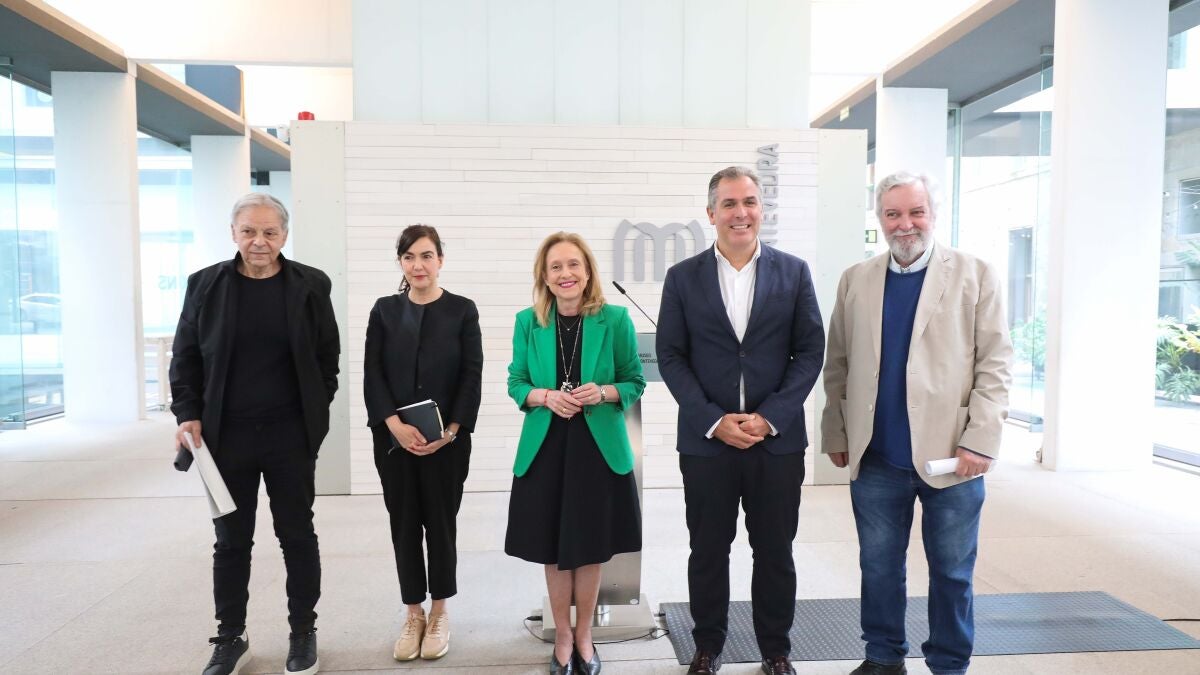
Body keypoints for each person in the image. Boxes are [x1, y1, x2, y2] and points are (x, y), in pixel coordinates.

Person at [820, 171, 1012, 675]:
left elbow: (995, 363)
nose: (905, 224)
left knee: (952, 571)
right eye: (893, 214)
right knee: (878, 567)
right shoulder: (856, 279)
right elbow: (837, 362)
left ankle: (949, 663)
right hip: (877, 455)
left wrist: (981, 440)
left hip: (953, 456)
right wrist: (836, 431)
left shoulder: (976, 274)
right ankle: (883, 657)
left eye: (915, 212)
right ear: (880, 219)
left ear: (933, 213)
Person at [657, 166, 825, 675]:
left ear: (761, 210)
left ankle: (776, 650)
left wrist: (770, 417)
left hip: (776, 443)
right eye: (729, 204)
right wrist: (713, 421)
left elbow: (810, 351)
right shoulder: (682, 278)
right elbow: (671, 357)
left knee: (774, 551)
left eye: (749, 202)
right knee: (708, 550)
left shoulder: (793, 272)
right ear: (711, 214)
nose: (740, 212)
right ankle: (707, 647)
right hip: (708, 444)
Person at [170, 193, 340, 675]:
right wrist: (187, 412)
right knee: (230, 541)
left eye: (269, 232)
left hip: (290, 435)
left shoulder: (311, 284)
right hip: (225, 438)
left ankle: (303, 632)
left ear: (284, 235)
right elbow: (186, 355)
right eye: (249, 231)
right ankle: (231, 636)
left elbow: (327, 357)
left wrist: (314, 409)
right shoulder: (204, 285)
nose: (259, 241)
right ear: (233, 233)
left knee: (297, 534)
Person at [505, 232, 646, 675]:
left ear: (587, 272)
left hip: (596, 449)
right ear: (544, 277)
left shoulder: (616, 319)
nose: (565, 274)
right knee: (553, 548)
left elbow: (634, 381)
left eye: (573, 265)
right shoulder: (527, 322)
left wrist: (602, 392)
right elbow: (516, 383)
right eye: (556, 267)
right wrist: (545, 396)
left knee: (590, 548)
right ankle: (562, 637)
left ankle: (584, 635)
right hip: (547, 447)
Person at [363, 224, 483, 662]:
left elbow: (471, 375)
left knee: (441, 523)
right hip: (394, 441)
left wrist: (450, 432)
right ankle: (412, 612)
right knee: (404, 524)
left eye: (427, 255)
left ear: (440, 260)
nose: (418, 265)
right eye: (410, 256)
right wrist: (393, 424)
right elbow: (372, 372)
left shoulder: (462, 310)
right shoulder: (384, 310)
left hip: (447, 443)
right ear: (401, 262)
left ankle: (440, 612)